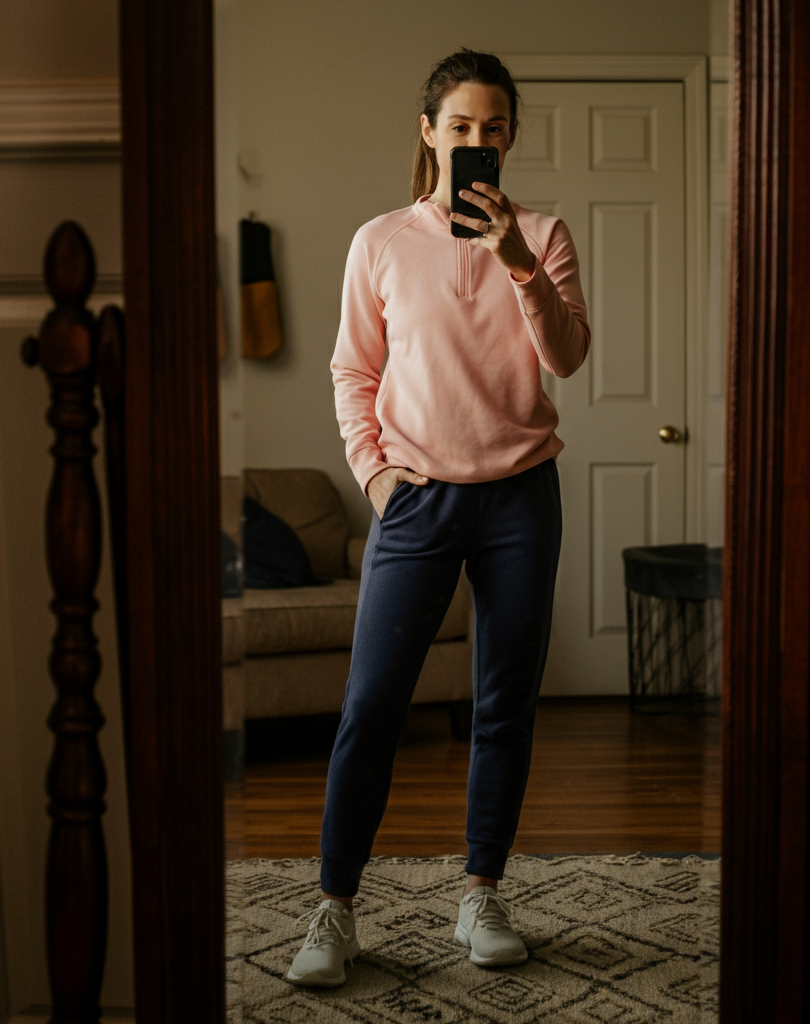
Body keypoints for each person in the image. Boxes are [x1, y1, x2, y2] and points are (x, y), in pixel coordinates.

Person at [286, 48, 591, 988]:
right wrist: (375, 478)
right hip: (416, 499)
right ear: (429, 133)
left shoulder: (544, 234)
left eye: (493, 129)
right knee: (372, 705)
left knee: (505, 704)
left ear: (510, 139)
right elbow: (353, 370)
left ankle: (481, 893)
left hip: (521, 498)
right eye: (460, 126)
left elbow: (568, 357)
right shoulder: (379, 241)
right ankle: (334, 908)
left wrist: (517, 263)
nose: (476, 140)